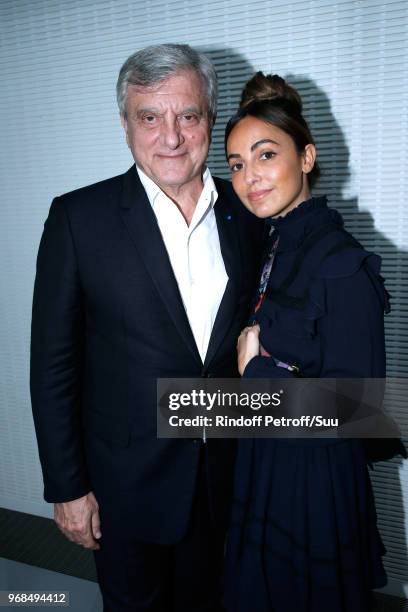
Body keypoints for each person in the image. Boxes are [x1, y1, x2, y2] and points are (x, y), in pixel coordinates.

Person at [30, 44, 262, 612]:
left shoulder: (249, 215)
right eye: (149, 117)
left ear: (211, 118)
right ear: (125, 125)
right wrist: (68, 488)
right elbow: (53, 366)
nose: (171, 137)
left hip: (223, 484)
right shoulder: (78, 219)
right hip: (123, 490)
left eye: (188, 115)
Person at [222, 72, 406, 612]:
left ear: (306, 157)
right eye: (236, 164)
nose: (249, 176)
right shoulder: (277, 243)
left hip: (314, 487)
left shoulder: (339, 262)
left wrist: (256, 374)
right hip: (268, 463)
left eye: (265, 155)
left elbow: (361, 412)